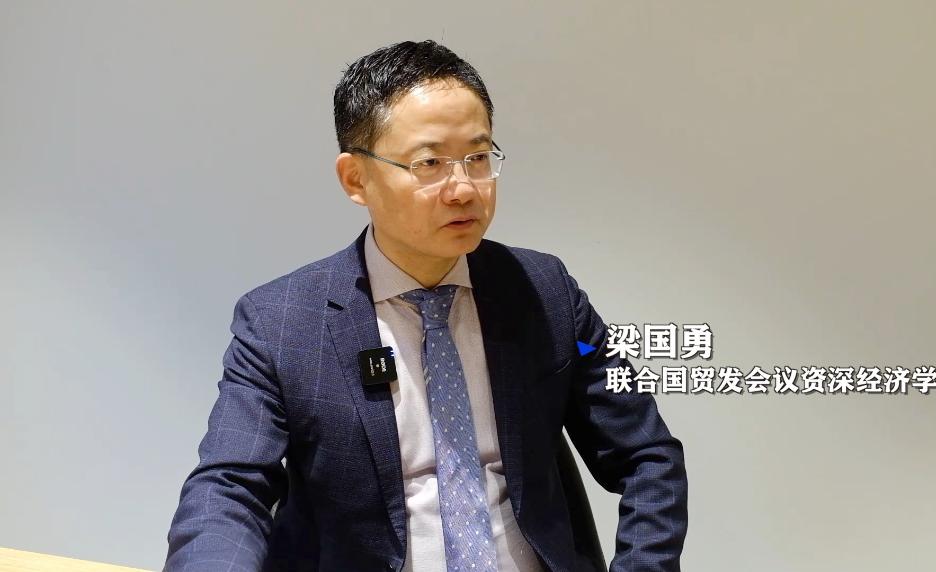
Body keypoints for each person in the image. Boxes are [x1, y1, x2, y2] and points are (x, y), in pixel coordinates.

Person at [164, 40, 687, 572]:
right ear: (356, 179)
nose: (464, 189)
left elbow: (648, 456)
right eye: (429, 163)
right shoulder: (283, 322)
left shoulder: (544, 290)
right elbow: (229, 487)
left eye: (478, 158)